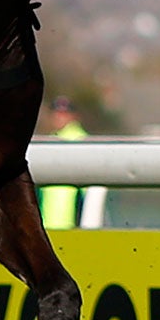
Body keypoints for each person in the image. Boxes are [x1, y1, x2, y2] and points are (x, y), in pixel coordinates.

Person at [37, 96, 97, 232]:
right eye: (56, 113)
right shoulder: (53, 139)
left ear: (73, 116)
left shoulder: (79, 140)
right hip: (50, 222)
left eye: (64, 113)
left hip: (70, 223)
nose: (59, 117)